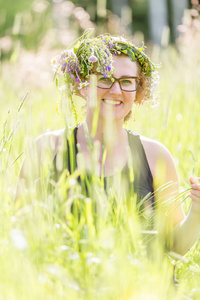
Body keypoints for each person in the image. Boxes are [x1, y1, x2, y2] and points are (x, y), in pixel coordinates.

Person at [15, 31, 200, 256]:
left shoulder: (156, 156)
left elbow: (175, 249)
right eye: (104, 78)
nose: (115, 90)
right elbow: (20, 238)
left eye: (126, 82)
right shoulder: (46, 150)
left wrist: (197, 212)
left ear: (139, 91)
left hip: (141, 288)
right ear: (82, 86)